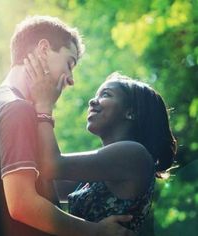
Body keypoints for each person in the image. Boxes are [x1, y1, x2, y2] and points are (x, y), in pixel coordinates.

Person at [0, 16, 135, 236]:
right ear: (43, 49)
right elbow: (22, 204)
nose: (71, 79)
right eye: (69, 63)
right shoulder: (16, 109)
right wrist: (96, 231)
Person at [24, 57, 177, 234]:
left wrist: (44, 106)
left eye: (106, 95)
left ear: (131, 113)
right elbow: (42, 181)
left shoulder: (134, 154)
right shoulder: (97, 173)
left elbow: (50, 165)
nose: (92, 101)